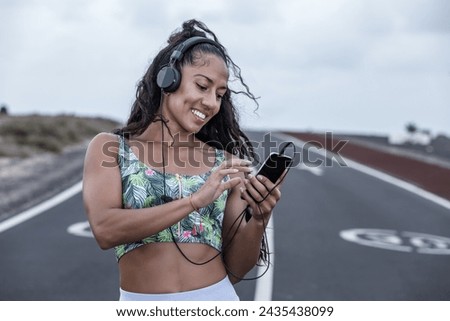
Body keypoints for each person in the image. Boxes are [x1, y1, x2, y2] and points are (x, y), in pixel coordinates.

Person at [82, 19, 283, 301]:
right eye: (202, 86)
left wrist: (260, 217)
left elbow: (236, 271)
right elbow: (105, 229)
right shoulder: (111, 149)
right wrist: (193, 202)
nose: (212, 103)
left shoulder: (226, 165)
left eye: (219, 95)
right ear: (169, 78)